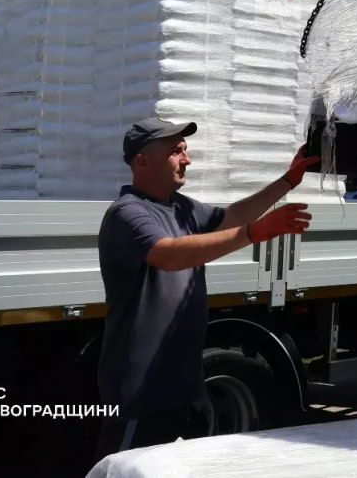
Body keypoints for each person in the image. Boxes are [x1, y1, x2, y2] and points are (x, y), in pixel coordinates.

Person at [94, 117, 317, 457]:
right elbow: (169, 254)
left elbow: (233, 216)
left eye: (185, 150)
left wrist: (288, 181)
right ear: (142, 161)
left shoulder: (182, 208)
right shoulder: (128, 214)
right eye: (175, 151)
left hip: (187, 390)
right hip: (141, 396)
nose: (187, 159)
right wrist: (254, 234)